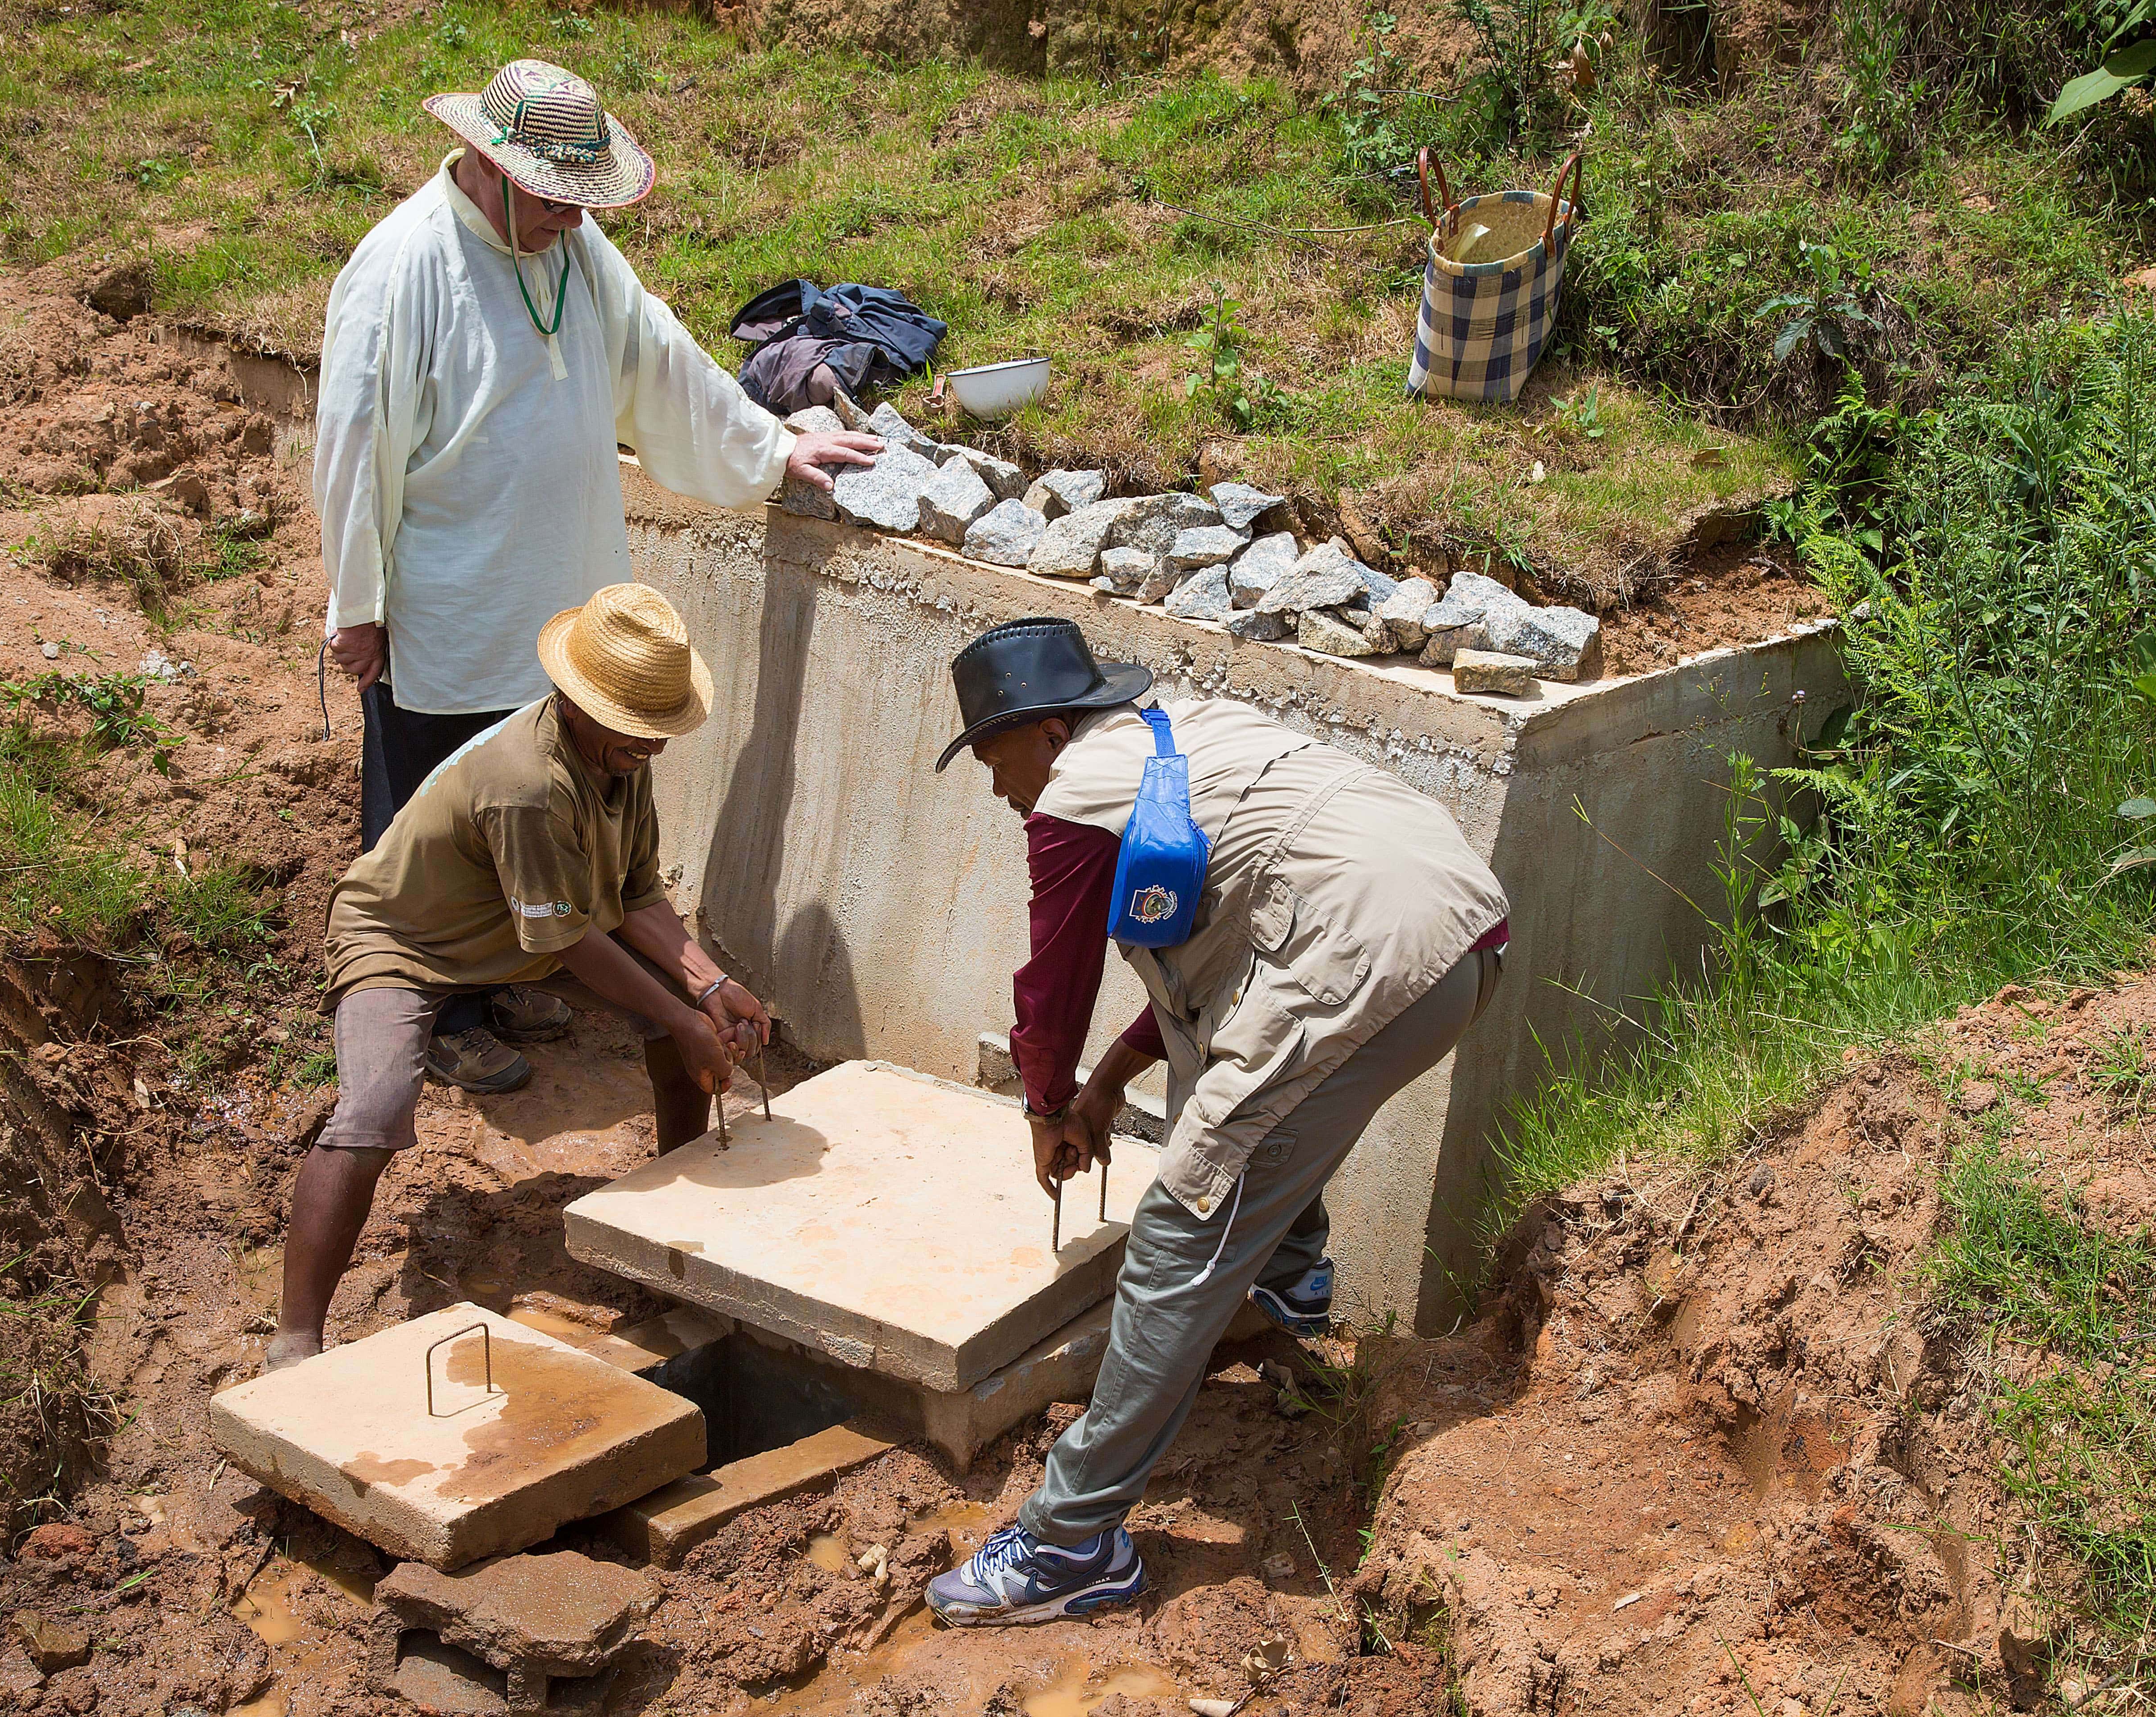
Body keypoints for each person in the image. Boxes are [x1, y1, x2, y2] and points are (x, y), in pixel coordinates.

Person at [923, 619, 1511, 1625]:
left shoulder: (1072, 800)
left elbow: (1052, 980)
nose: (998, 788)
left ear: (1051, 738)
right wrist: (1108, 1084)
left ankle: (1072, 1546)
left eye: (995, 759)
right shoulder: (1182, 736)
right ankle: (1283, 1290)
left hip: (1364, 961)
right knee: (1239, 1099)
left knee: (1176, 1232)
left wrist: (1046, 1102)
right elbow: (1228, 961)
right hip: (1455, 938)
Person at [313, 58, 878, 1095]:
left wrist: (767, 448)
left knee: (551, 800)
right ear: (490, 165)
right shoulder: (402, 269)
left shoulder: (576, 250)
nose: (574, 223)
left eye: (586, 203)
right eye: (556, 200)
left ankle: (516, 962)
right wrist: (360, 607)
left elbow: (656, 356)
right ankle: (437, 1010)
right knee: (440, 801)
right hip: (451, 597)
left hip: (563, 590)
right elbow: (355, 449)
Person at [271, 583, 770, 1371]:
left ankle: (676, 1222)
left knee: (681, 1011)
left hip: (524, 928)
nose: (653, 748)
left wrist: (707, 986)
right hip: (406, 939)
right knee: (376, 1107)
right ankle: (296, 1337)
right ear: (576, 701)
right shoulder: (527, 786)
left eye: (657, 732)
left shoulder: (619, 757)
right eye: (638, 731)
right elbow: (570, 937)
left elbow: (635, 894)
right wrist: (681, 1021)